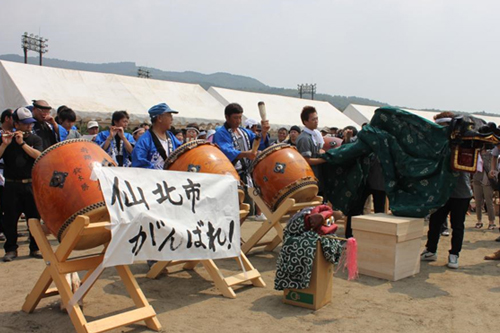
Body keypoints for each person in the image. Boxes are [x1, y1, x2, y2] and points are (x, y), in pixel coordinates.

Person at [421, 112, 473, 269]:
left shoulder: (464, 142)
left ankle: (454, 254)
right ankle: (431, 250)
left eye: (443, 127)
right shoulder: (435, 145)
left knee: (457, 225)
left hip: (460, 192)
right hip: (441, 191)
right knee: (435, 222)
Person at [0, 107, 43, 261]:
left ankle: (35, 247)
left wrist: (22, 144)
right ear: (16, 124)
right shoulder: (6, 138)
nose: (29, 126)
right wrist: (5, 144)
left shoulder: (35, 139)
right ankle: (11, 249)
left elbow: (39, 156)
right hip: (11, 185)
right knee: (10, 219)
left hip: (30, 184)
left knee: (34, 218)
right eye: (25, 124)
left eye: (30, 123)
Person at [213, 103, 270, 216]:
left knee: (248, 207)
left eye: (240, 117)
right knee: (234, 209)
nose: (238, 121)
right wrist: (245, 154)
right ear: (227, 117)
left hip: (247, 173)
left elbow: (257, 141)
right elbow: (226, 151)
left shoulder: (244, 132)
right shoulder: (221, 133)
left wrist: (263, 132)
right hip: (230, 175)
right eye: (235, 118)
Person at [132, 103, 182, 170]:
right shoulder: (144, 141)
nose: (172, 119)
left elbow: (181, 151)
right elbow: (139, 165)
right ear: (159, 118)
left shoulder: (171, 136)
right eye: (169, 115)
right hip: (153, 179)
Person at [296, 106, 326, 194]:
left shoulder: (315, 135)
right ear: (305, 122)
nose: (316, 121)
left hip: (317, 176)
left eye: (317, 119)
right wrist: (323, 159)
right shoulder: (304, 138)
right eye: (313, 119)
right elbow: (306, 160)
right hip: (309, 177)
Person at [0, 109, 14, 242]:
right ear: (7, 118)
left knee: (7, 207)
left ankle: (6, 230)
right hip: (1, 171)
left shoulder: (16, 136)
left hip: (9, 174)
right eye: (13, 117)